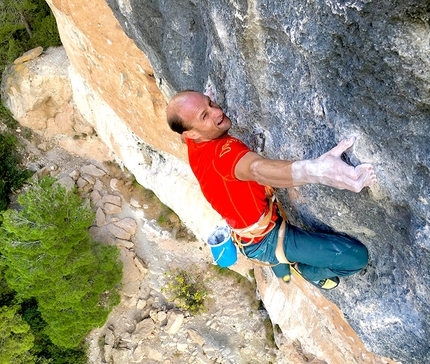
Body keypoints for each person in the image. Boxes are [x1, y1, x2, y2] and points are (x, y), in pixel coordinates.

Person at [166, 90, 377, 290]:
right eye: (205, 115)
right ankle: (309, 272)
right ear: (191, 133)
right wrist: (318, 171)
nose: (218, 111)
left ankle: (282, 264)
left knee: (280, 260)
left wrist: (203, 105)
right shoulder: (223, 157)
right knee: (356, 258)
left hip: (249, 231)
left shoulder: (194, 140)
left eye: (211, 103)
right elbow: (256, 169)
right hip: (265, 240)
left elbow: (192, 117)